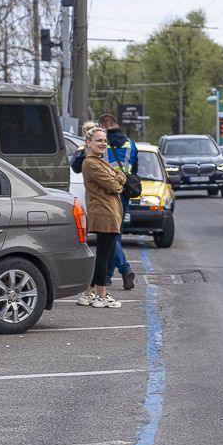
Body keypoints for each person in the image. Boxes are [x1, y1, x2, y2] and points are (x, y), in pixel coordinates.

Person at [78, 127, 127, 309]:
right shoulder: (91, 163)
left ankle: (87, 293)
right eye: (99, 140)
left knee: (105, 254)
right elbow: (114, 184)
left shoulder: (99, 161)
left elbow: (117, 178)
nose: (103, 143)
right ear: (88, 143)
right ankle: (101, 295)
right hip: (104, 213)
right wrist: (119, 178)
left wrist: (118, 177)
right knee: (104, 256)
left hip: (109, 212)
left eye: (105, 140)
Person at [98, 113, 138, 290]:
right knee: (117, 233)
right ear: (116, 124)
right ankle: (106, 276)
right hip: (125, 192)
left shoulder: (101, 144)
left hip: (108, 193)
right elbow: (134, 166)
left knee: (111, 236)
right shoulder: (130, 143)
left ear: (102, 126)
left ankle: (124, 269)